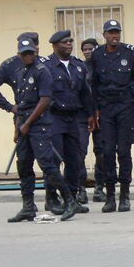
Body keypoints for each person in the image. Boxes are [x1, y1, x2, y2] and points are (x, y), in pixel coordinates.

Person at [0, 37, 80, 222]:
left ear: (35, 53)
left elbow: (45, 100)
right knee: (24, 165)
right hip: (24, 124)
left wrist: (28, 124)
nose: (28, 56)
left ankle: (70, 201)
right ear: (19, 55)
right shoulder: (20, 72)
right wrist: (18, 123)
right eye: (24, 53)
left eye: (31, 53)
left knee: (47, 165)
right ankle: (28, 206)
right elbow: (21, 103)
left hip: (38, 124)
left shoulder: (42, 71)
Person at [0, 32, 64, 213]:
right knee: (25, 163)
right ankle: (28, 204)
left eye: (35, 45)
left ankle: (52, 198)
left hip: (45, 118)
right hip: (23, 119)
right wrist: (9, 107)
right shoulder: (11, 65)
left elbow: (51, 94)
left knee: (48, 161)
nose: (34, 49)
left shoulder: (43, 64)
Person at [91, 20, 134, 213]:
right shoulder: (97, 55)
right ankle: (110, 197)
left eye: (117, 32)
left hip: (126, 107)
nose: (114, 36)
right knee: (107, 152)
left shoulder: (130, 52)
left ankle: (124, 195)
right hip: (106, 108)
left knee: (123, 151)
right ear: (104, 35)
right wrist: (94, 110)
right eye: (110, 33)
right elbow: (93, 85)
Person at [43, 30, 93, 217]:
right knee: (54, 159)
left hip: (74, 118)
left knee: (75, 159)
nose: (69, 45)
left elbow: (85, 93)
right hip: (54, 118)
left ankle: (71, 198)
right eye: (65, 42)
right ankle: (52, 198)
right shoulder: (46, 66)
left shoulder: (78, 66)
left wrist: (90, 114)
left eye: (71, 41)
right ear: (55, 46)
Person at [80, 38, 106, 203]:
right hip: (82, 115)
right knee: (79, 152)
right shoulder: (79, 67)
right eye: (84, 49)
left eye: (90, 49)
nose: (87, 52)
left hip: (101, 115)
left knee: (102, 152)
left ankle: (99, 188)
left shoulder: (102, 67)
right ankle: (80, 189)